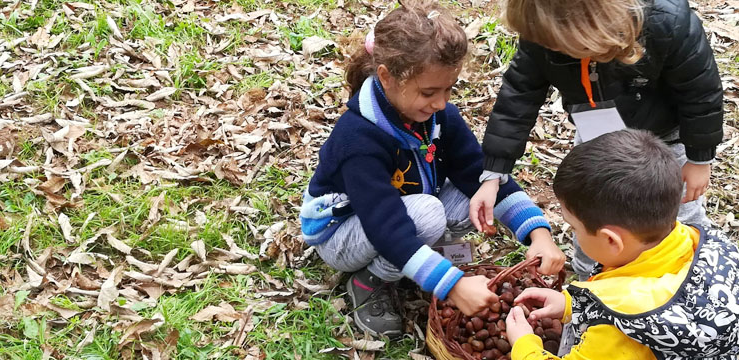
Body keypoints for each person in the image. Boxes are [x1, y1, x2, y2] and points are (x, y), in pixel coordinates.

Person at [298, 0, 564, 339]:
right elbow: (385, 224)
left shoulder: (438, 117)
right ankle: (370, 281)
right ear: (387, 78)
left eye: (448, 89)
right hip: (342, 232)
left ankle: (416, 262)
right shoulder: (359, 140)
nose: (441, 102)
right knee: (426, 215)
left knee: (481, 195)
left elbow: (477, 173)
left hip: (405, 205)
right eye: (429, 92)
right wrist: (451, 285)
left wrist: (538, 234)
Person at [471, 0, 724, 278]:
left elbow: (701, 93)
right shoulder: (543, 31)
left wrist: (700, 157)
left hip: (665, 138)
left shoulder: (666, 21)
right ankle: (590, 281)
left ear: (590, 26)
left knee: (675, 214)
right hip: (598, 137)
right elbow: (518, 96)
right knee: (590, 212)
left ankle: (687, 276)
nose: (549, 49)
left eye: (557, 45)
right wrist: (495, 172)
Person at [504, 129, 739, 359]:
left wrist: (525, 346)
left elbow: (625, 308)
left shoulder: (616, 333)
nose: (573, 232)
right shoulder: (699, 243)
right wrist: (571, 305)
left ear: (611, 240)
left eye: (574, 227)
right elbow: (645, 291)